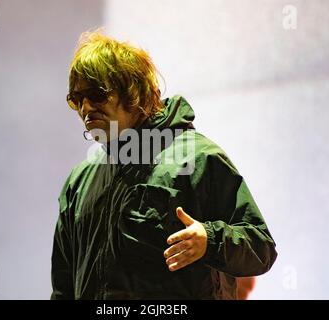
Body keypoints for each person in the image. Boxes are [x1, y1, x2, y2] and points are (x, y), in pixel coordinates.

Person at [50, 30, 277, 300]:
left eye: (96, 95)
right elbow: (63, 287)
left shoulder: (197, 158)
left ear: (134, 92)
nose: (86, 107)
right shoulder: (80, 180)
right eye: (76, 99)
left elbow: (261, 248)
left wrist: (210, 240)